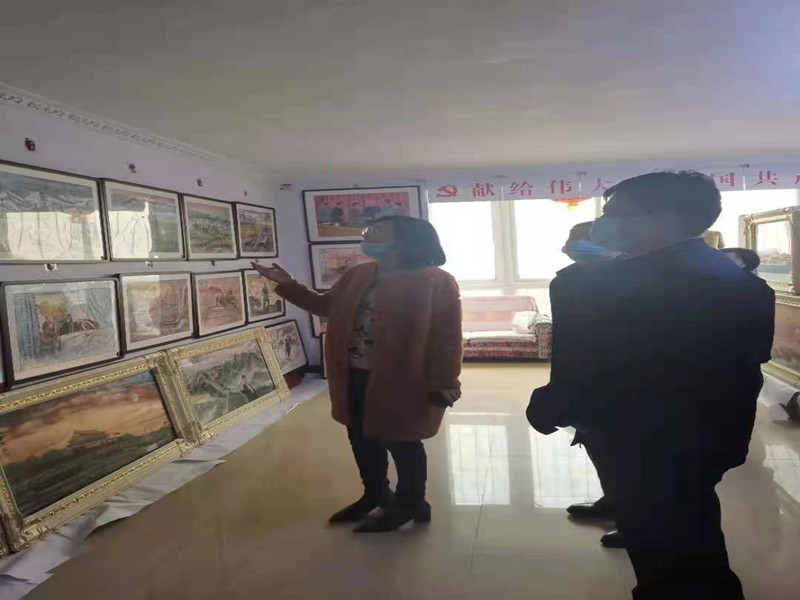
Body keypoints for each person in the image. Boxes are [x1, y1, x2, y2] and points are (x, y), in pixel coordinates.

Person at [527, 171, 775, 599]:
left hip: (650, 438)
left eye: (615, 213)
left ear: (664, 218)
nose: (602, 223)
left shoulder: (631, 283)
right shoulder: (728, 276)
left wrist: (557, 404)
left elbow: (604, 360)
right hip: (698, 435)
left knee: (668, 549)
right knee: (685, 533)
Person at [251, 216, 462, 533]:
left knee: (402, 439)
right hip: (352, 372)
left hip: (405, 377)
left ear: (405, 240)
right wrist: (288, 284)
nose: (367, 238)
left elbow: (447, 337)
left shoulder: (435, 281)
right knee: (360, 435)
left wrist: (444, 382)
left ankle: (411, 501)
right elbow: (327, 307)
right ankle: (376, 493)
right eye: (367, 233)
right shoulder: (359, 274)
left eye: (376, 233)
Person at [558, 221, 626, 548]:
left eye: (579, 239)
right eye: (570, 239)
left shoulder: (635, 278)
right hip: (583, 380)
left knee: (627, 453)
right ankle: (614, 500)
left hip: (624, 382)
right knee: (596, 444)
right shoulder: (568, 279)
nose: (570, 246)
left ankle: (638, 521)